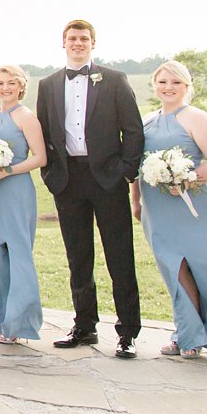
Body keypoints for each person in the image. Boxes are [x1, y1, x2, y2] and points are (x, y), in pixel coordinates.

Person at [36, 19, 145, 358]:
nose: (78, 43)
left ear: (93, 43)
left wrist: (125, 171)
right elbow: (44, 133)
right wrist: (52, 173)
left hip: (107, 178)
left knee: (119, 255)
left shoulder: (114, 80)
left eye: (84, 38)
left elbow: (134, 130)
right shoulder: (49, 84)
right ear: (63, 43)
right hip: (68, 180)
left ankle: (127, 331)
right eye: (72, 38)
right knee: (78, 256)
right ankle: (84, 326)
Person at [132, 61, 207, 359]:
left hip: (190, 206)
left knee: (202, 268)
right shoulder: (147, 120)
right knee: (173, 270)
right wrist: (134, 200)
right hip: (156, 208)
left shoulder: (197, 118)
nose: (168, 87)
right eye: (162, 82)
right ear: (154, 85)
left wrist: (186, 179)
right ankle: (186, 333)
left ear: (187, 86)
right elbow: (135, 165)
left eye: (175, 82)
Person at [0, 66, 46, 344]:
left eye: (11, 83)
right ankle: (6, 324)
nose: (5, 87)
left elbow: (40, 158)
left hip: (16, 191)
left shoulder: (26, 117)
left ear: (21, 86)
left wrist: (8, 171)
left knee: (19, 255)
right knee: (0, 258)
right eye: (0, 82)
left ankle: (21, 324)